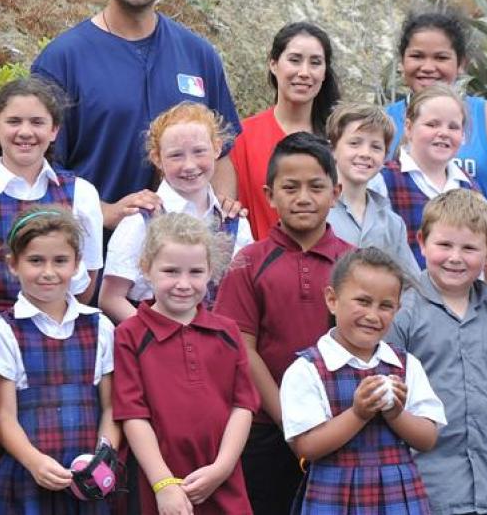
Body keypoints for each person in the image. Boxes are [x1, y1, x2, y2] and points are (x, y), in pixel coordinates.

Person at [31, 0, 241, 231]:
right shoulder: (62, 60)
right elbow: (37, 169)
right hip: (92, 258)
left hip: (185, 267)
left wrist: (220, 224)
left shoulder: (199, 54)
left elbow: (222, 156)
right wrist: (106, 213)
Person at [214, 132, 354, 514]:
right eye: (290, 187)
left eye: (316, 186)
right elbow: (243, 346)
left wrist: (326, 424)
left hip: (339, 425)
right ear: (269, 194)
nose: (303, 197)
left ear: (336, 192)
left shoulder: (353, 264)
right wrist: (290, 419)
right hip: (265, 429)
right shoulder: (249, 262)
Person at [386, 189, 487, 515]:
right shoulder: (403, 314)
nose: (455, 257)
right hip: (427, 486)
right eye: (444, 245)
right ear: (422, 241)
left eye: (469, 248)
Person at [113, 212, 259, 514]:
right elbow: (132, 414)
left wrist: (222, 468)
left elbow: (243, 406)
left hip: (222, 480)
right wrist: (163, 484)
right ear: (146, 269)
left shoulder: (228, 332)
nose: (183, 283)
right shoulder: (129, 334)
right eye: (170, 271)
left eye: (195, 272)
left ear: (211, 272)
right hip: (159, 484)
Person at [281, 247, 445, 514]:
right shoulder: (308, 369)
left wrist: (395, 413)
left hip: (397, 495)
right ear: (332, 299)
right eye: (363, 301)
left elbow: (427, 439)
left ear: (398, 309)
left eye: (386, 306)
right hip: (333, 494)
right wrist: (358, 414)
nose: (373, 315)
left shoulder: (405, 365)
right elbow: (307, 447)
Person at [0, 206, 118, 514]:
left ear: (76, 264)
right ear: (13, 264)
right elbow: (3, 416)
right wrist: (34, 462)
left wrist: (103, 456)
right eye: (35, 261)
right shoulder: (2, 330)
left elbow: (112, 406)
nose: (48, 272)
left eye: (60, 261)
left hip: (87, 480)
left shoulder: (99, 326)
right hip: (28, 476)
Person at [0, 77, 104, 314]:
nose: (25, 132)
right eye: (13, 121)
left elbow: (87, 280)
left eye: (37, 122)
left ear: (54, 130)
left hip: (56, 325)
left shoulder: (82, 193)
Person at [99, 101, 253, 323]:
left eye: (199, 151)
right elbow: (111, 298)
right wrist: (158, 334)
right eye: (176, 155)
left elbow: (244, 294)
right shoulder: (141, 219)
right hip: (155, 346)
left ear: (217, 148)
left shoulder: (233, 220)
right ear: (157, 158)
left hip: (217, 347)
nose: (189, 165)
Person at [384, 10, 487, 197]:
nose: (428, 67)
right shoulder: (381, 121)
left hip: (476, 224)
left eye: (441, 58)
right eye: (417, 56)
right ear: (401, 61)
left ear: (461, 63)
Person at [230, 21, 342, 240]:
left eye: (315, 63)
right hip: (257, 266)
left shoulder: (339, 139)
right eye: (294, 60)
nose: (304, 72)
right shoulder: (241, 136)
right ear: (273, 64)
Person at [371, 84, 479, 269]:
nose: (443, 133)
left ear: (462, 135)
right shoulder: (383, 180)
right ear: (408, 127)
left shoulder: (470, 187)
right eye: (432, 124)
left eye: (453, 127)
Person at [325, 102, 419, 277]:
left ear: (385, 156)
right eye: (354, 143)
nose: (365, 153)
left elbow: (410, 284)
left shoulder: (392, 223)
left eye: (376, 147)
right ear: (333, 149)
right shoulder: (317, 211)